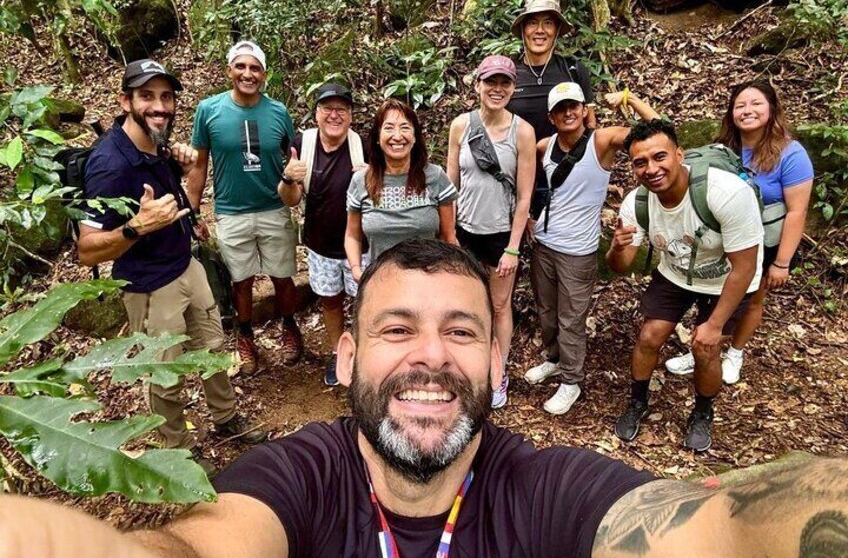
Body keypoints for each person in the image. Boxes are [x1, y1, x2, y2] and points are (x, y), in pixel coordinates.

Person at [7, 239, 848, 558]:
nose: (432, 358)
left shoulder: (546, 493)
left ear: (494, 366)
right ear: (345, 357)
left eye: (463, 331)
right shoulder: (295, 480)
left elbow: (722, 530)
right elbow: (199, 549)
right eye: (397, 329)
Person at [76, 59, 266, 474]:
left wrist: (178, 166)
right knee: (166, 374)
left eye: (166, 97)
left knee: (214, 350)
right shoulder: (110, 163)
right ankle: (177, 449)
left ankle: (224, 417)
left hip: (186, 266)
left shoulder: (155, 144)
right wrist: (135, 228)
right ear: (125, 101)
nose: (160, 106)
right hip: (149, 287)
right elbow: (86, 250)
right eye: (147, 96)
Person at [607, 119, 764, 452]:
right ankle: (637, 401)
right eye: (640, 162)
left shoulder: (725, 194)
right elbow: (619, 266)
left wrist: (715, 324)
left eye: (659, 157)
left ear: (679, 155)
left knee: (705, 347)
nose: (651, 168)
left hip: (726, 277)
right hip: (677, 271)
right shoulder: (637, 203)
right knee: (649, 336)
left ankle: (703, 411)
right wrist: (617, 247)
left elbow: (745, 267)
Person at [664, 81, 814, 384]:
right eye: (740, 105)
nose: (748, 111)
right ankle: (702, 349)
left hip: (766, 241)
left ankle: (735, 352)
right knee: (716, 295)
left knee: (752, 299)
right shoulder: (724, 148)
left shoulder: (791, 153)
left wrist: (782, 262)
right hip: (725, 237)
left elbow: (797, 211)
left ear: (772, 108)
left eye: (756, 103)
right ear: (731, 113)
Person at [524, 84, 659, 415]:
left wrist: (631, 99)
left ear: (584, 110)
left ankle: (572, 381)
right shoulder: (544, 145)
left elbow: (657, 134)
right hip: (543, 244)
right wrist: (528, 216)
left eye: (574, 106)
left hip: (578, 251)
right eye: (561, 109)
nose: (568, 113)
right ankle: (554, 360)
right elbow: (529, 184)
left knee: (571, 318)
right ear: (551, 117)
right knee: (547, 311)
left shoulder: (602, 141)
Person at [188, 40, 302, 375]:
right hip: (231, 210)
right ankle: (246, 335)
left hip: (273, 207)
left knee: (283, 277)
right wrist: (193, 212)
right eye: (241, 67)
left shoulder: (279, 113)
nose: (247, 74)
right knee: (241, 282)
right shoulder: (208, 110)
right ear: (229, 71)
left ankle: (290, 326)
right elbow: (198, 165)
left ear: (264, 74)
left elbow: (292, 160)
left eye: (254, 68)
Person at [446, 55, 535, 410]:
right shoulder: (460, 126)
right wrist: (448, 233)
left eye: (505, 83)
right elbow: (450, 185)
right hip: (465, 231)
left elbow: (525, 195)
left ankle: (498, 373)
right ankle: (469, 367)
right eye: (491, 82)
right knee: (467, 304)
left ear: (513, 88)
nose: (497, 90)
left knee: (499, 306)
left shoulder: (523, 131)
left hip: (500, 234)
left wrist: (513, 247)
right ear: (478, 84)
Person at [278, 83, 367, 387]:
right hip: (320, 244)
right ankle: (337, 353)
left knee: (363, 303)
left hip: (362, 245)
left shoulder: (363, 146)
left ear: (350, 115)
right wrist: (289, 178)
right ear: (316, 113)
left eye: (341, 109)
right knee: (330, 301)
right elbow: (290, 199)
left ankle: (363, 356)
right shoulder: (302, 143)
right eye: (327, 108)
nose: (334, 115)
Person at [345, 99, 458, 280]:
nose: (397, 136)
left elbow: (448, 237)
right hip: (381, 280)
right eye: (389, 128)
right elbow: (352, 235)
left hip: (428, 280)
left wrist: (450, 275)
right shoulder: (361, 181)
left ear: (414, 137)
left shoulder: (436, 177)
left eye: (405, 128)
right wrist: (357, 269)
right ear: (377, 138)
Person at [507, 0, 596, 139]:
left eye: (548, 23)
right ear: (523, 29)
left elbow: (590, 123)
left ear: (556, 30)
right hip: (519, 159)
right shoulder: (509, 74)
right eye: (533, 23)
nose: (540, 30)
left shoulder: (573, 70)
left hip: (563, 159)